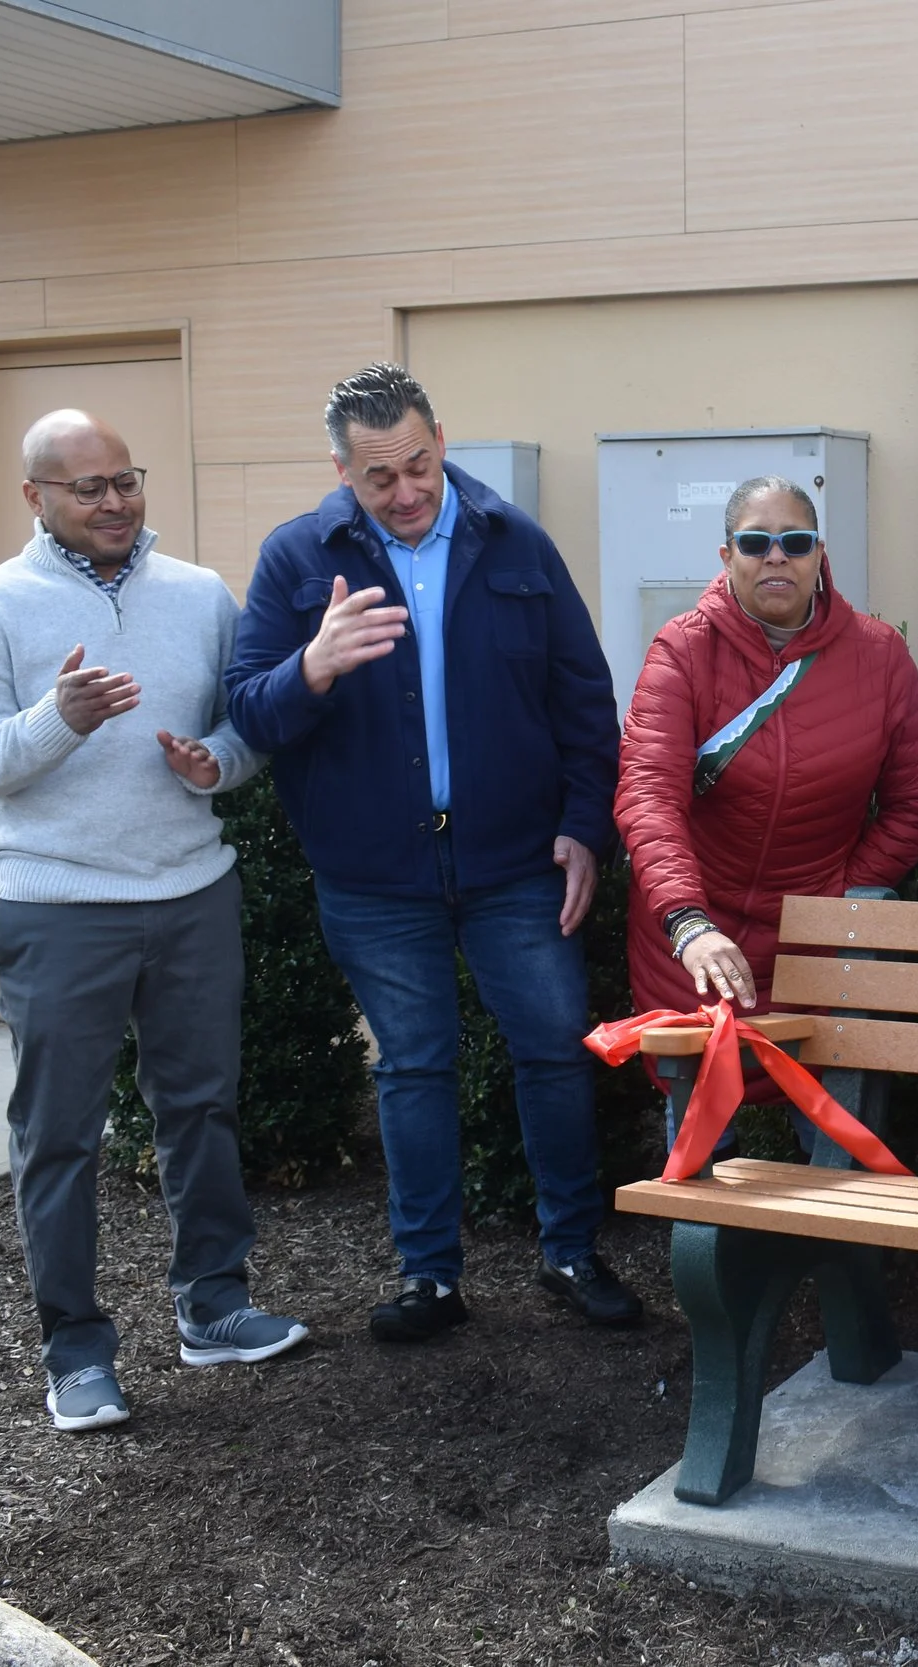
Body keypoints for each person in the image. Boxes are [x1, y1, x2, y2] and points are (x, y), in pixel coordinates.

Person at [225, 364, 635, 1342]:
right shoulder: (296, 560)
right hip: (374, 877)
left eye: (417, 464)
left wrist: (586, 827)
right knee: (412, 1066)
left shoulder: (515, 544)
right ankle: (430, 1276)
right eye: (378, 478)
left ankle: (571, 1248)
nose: (406, 492)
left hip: (515, 866)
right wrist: (310, 668)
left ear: (441, 439)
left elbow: (584, 702)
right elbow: (248, 708)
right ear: (341, 472)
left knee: (551, 1053)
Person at [0, 409, 306, 1432]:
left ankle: (214, 1305)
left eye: (126, 480)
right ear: (37, 498)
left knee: (203, 1106)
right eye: (88, 487)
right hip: (60, 905)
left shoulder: (197, 594)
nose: (114, 502)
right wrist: (61, 716)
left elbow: (247, 723)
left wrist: (219, 764)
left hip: (190, 892)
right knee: (59, 1136)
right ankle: (77, 1353)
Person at [616, 473, 918, 1054]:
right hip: (697, 937)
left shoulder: (879, 654)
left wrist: (841, 891)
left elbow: (916, 801)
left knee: (821, 1123)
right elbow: (649, 796)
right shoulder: (682, 649)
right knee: (699, 1124)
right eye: (754, 542)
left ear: (819, 555)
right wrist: (686, 920)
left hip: (811, 941)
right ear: (725, 556)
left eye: (796, 542)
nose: (776, 557)